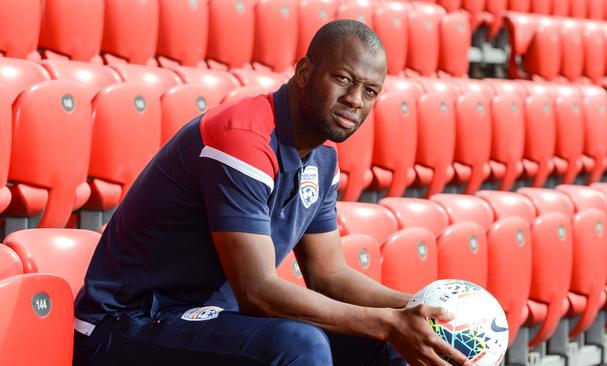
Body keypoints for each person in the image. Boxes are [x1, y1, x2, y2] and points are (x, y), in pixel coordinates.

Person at [73, 19, 471, 366]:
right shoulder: (241, 139)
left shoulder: (323, 156)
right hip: (124, 324)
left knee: (385, 346)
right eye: (344, 79)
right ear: (303, 71)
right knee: (298, 345)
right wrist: (386, 323)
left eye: (370, 91)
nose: (355, 100)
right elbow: (257, 292)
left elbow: (328, 274)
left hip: (206, 319)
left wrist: (418, 311)